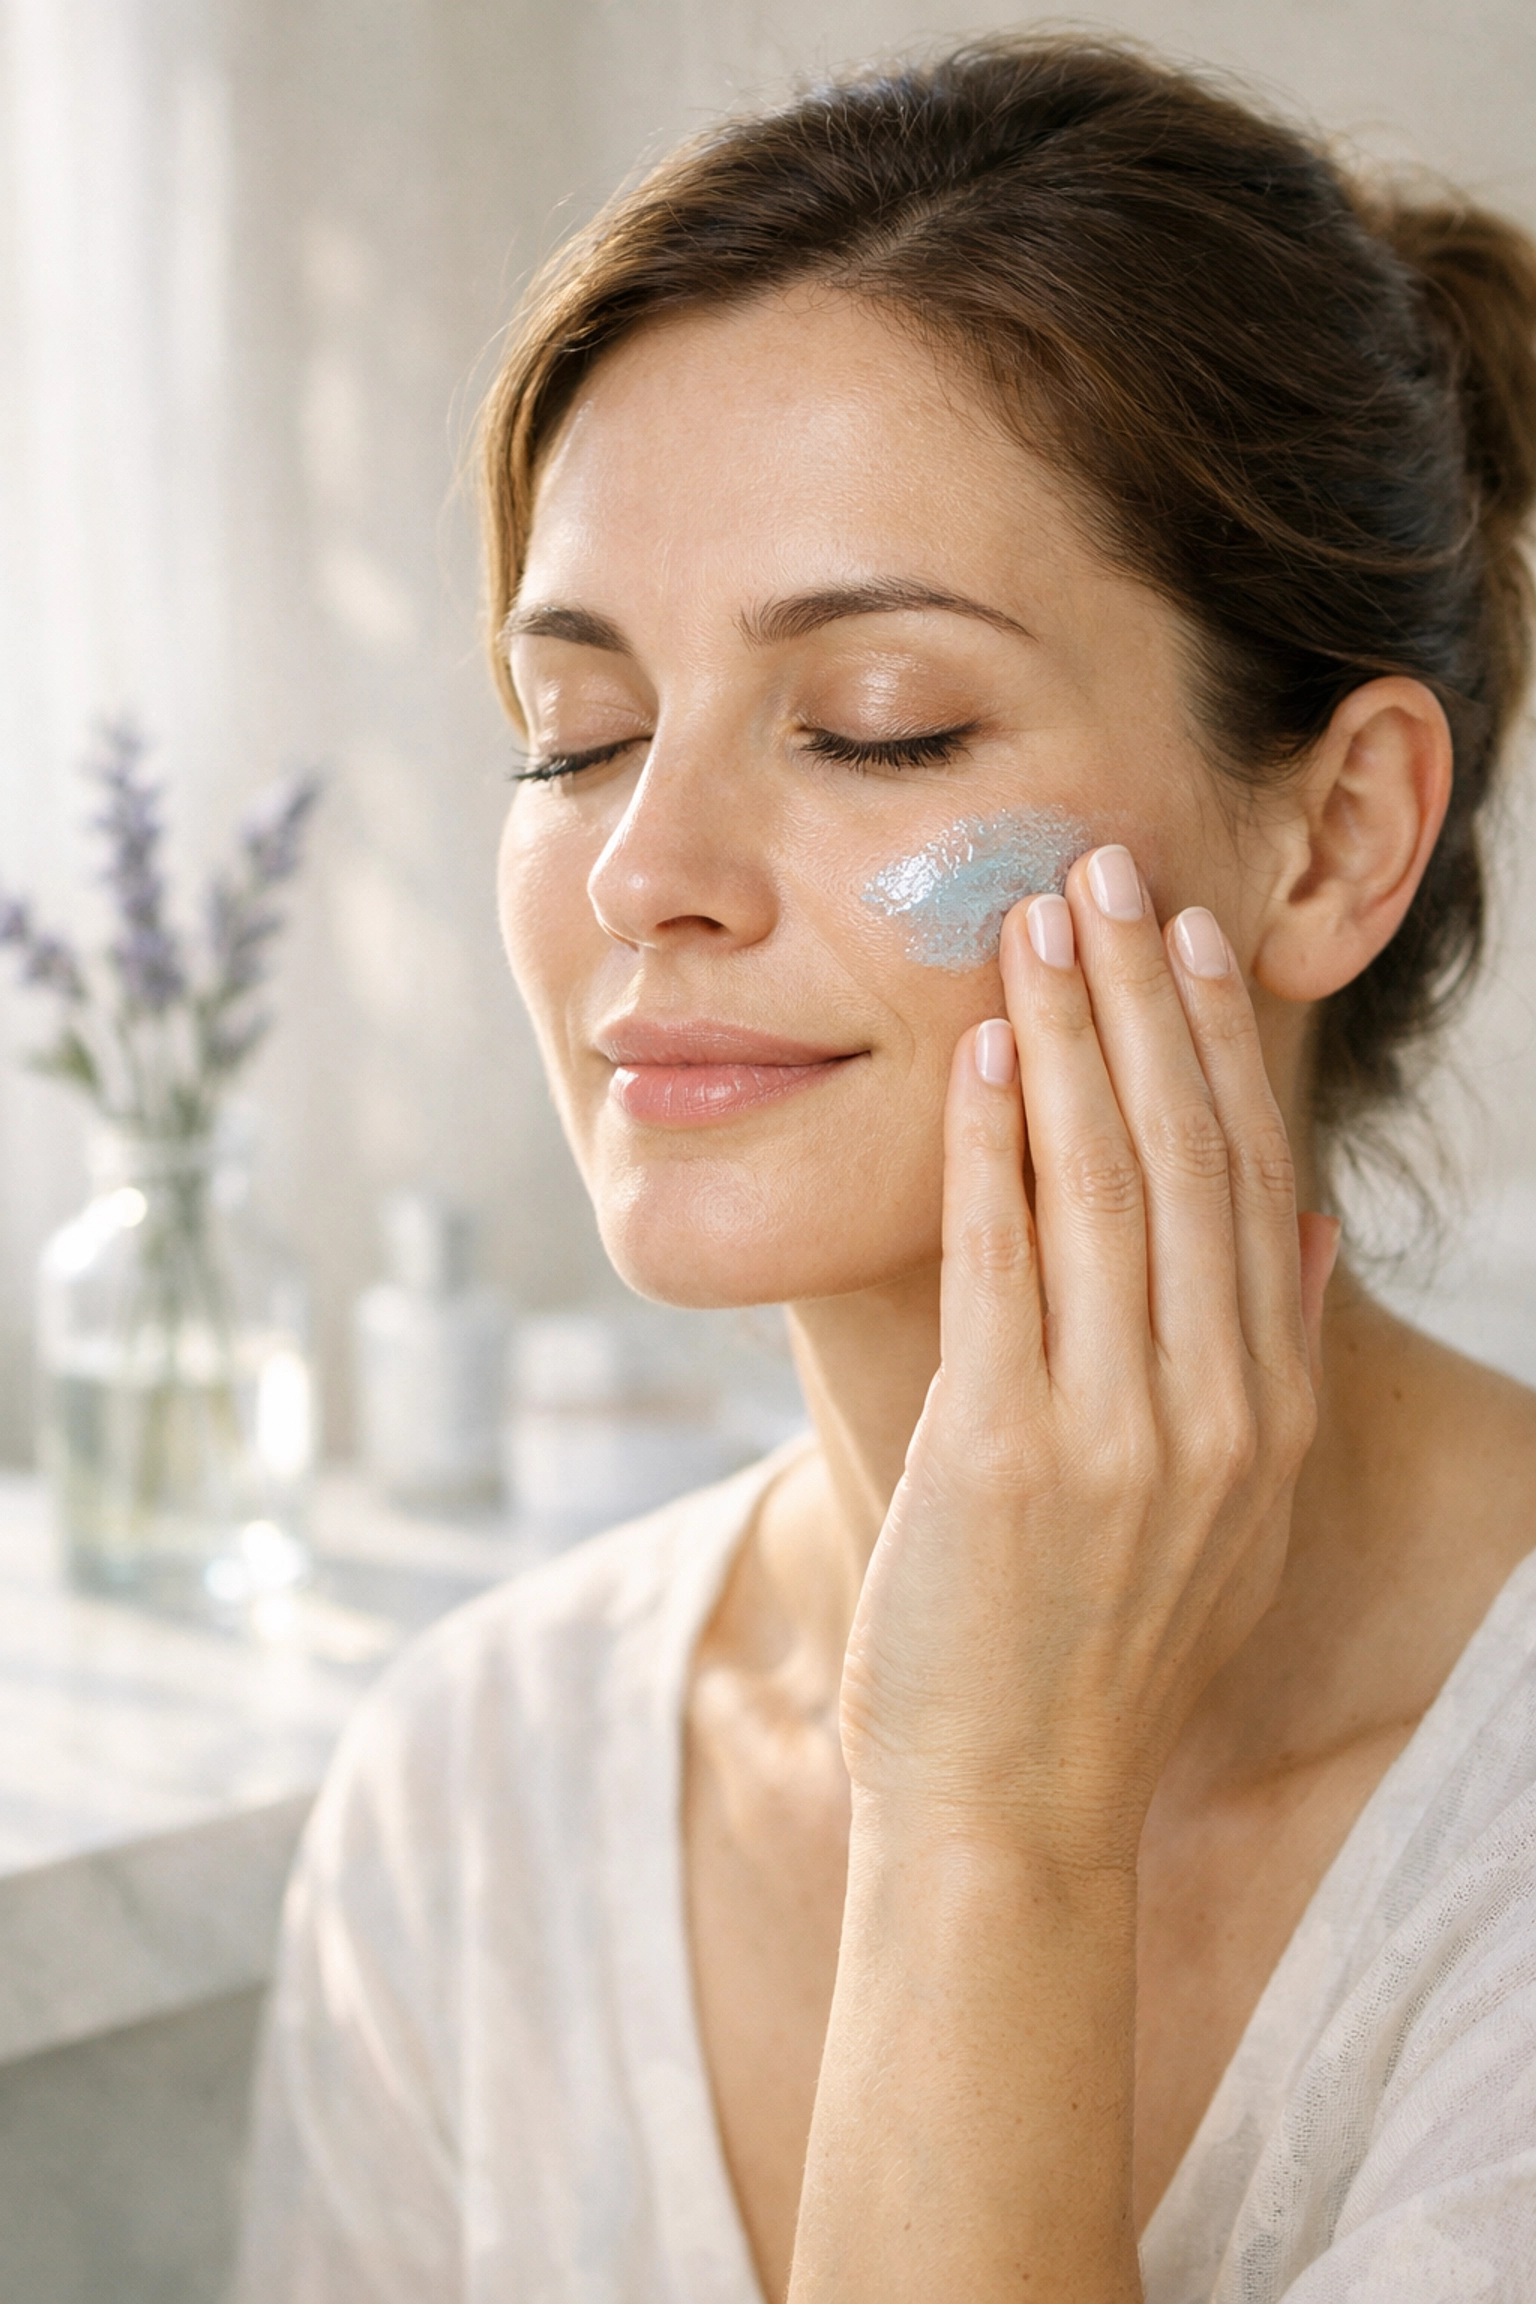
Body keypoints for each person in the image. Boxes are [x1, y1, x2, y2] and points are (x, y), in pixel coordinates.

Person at [234, 36, 1536, 2304]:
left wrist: (995, 1827)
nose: (649, 869)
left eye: (877, 725)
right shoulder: (475, 1790)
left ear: (1333, 838)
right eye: (580, 736)